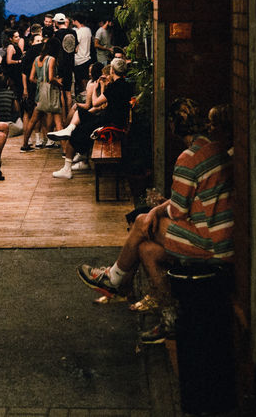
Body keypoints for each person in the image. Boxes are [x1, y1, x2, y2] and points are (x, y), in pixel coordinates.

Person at [77, 101, 234, 344]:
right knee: (146, 250)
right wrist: (159, 209)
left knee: (141, 221)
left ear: (173, 126)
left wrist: (155, 212)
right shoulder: (215, 150)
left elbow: (178, 211)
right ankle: (170, 318)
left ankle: (115, 278)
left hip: (210, 243)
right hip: (222, 240)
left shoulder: (189, 157)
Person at [51, 56, 134, 179]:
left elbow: (95, 103)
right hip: (115, 121)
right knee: (81, 115)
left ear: (112, 70)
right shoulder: (126, 85)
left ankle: (67, 169)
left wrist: (96, 88)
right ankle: (71, 133)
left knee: (78, 132)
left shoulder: (115, 86)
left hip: (109, 124)